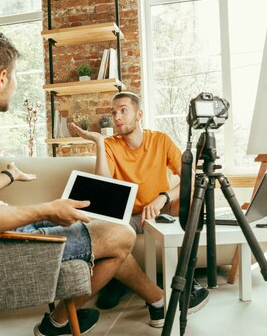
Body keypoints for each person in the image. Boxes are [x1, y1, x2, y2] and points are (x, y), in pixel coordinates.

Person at [0, 30, 168, 336]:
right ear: (1, 78)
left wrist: (10, 178)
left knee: (104, 231)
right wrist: (46, 209)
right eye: (14, 78)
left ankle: (158, 301)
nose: (14, 86)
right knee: (120, 234)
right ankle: (67, 319)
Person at [68, 91, 209, 313]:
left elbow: (190, 178)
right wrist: (99, 142)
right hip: (126, 217)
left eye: (123, 110)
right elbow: (103, 184)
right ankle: (116, 281)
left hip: (161, 208)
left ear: (139, 114)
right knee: (110, 229)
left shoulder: (160, 140)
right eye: (114, 113)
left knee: (192, 200)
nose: (117, 117)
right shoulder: (110, 144)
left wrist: (163, 196)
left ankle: (187, 278)